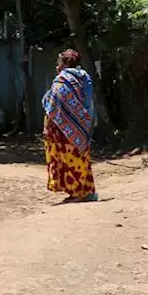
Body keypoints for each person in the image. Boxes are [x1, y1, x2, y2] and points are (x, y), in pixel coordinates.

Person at [42, 49, 97, 203]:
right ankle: (83, 191)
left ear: (65, 64)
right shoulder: (84, 78)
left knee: (68, 159)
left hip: (63, 130)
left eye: (58, 62)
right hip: (82, 126)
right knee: (80, 159)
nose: (56, 66)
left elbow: (53, 106)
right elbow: (89, 103)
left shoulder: (61, 81)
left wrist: (47, 127)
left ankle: (79, 192)